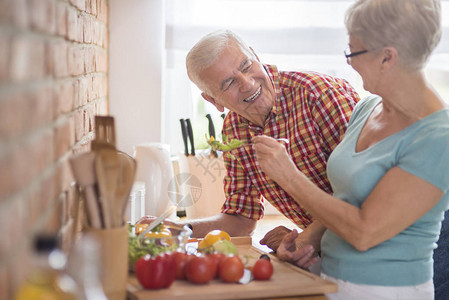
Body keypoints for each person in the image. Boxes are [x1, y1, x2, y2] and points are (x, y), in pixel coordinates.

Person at [253, 0, 448, 299]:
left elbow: (364, 232)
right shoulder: (367, 108)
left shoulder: (437, 137)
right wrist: (307, 240)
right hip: (332, 279)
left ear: (387, 57)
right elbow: (347, 200)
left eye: (353, 51)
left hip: (388, 291)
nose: (349, 62)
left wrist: (288, 175)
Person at [138, 29, 359, 249]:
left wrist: (306, 238)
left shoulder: (317, 95)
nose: (247, 84)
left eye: (246, 66)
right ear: (213, 100)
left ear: (256, 56)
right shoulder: (233, 131)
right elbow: (241, 220)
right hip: (331, 249)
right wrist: (178, 228)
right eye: (228, 83)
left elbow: (363, 189)